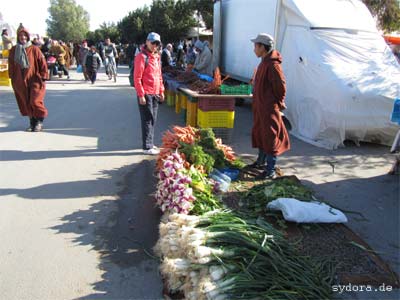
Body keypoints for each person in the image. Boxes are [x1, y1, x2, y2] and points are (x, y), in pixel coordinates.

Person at [249, 33, 290, 179]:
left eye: (255, 46)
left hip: (269, 108)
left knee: (270, 136)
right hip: (260, 106)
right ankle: (260, 161)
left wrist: (278, 103)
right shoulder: (263, 61)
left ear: (262, 47)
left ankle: (270, 170)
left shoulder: (273, 65)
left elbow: (281, 87)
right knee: (260, 133)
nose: (254, 49)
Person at [8, 26, 48, 132]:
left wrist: (43, 76)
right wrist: (12, 77)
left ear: (28, 37)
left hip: (34, 78)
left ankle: (39, 122)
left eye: (25, 35)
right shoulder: (13, 50)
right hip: (19, 80)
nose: (23, 37)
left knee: (35, 101)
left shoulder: (34, 49)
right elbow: (11, 64)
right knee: (25, 101)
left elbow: (42, 62)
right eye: (20, 35)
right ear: (18, 37)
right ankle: (32, 122)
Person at [134, 32, 165, 155]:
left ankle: (150, 143)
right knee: (147, 119)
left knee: (153, 119)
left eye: (157, 43)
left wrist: (161, 91)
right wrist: (141, 94)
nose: (154, 46)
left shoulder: (156, 57)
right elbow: (137, 77)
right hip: (146, 93)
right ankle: (147, 147)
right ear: (147, 42)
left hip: (155, 92)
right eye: (153, 43)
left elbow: (159, 76)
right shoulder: (141, 57)